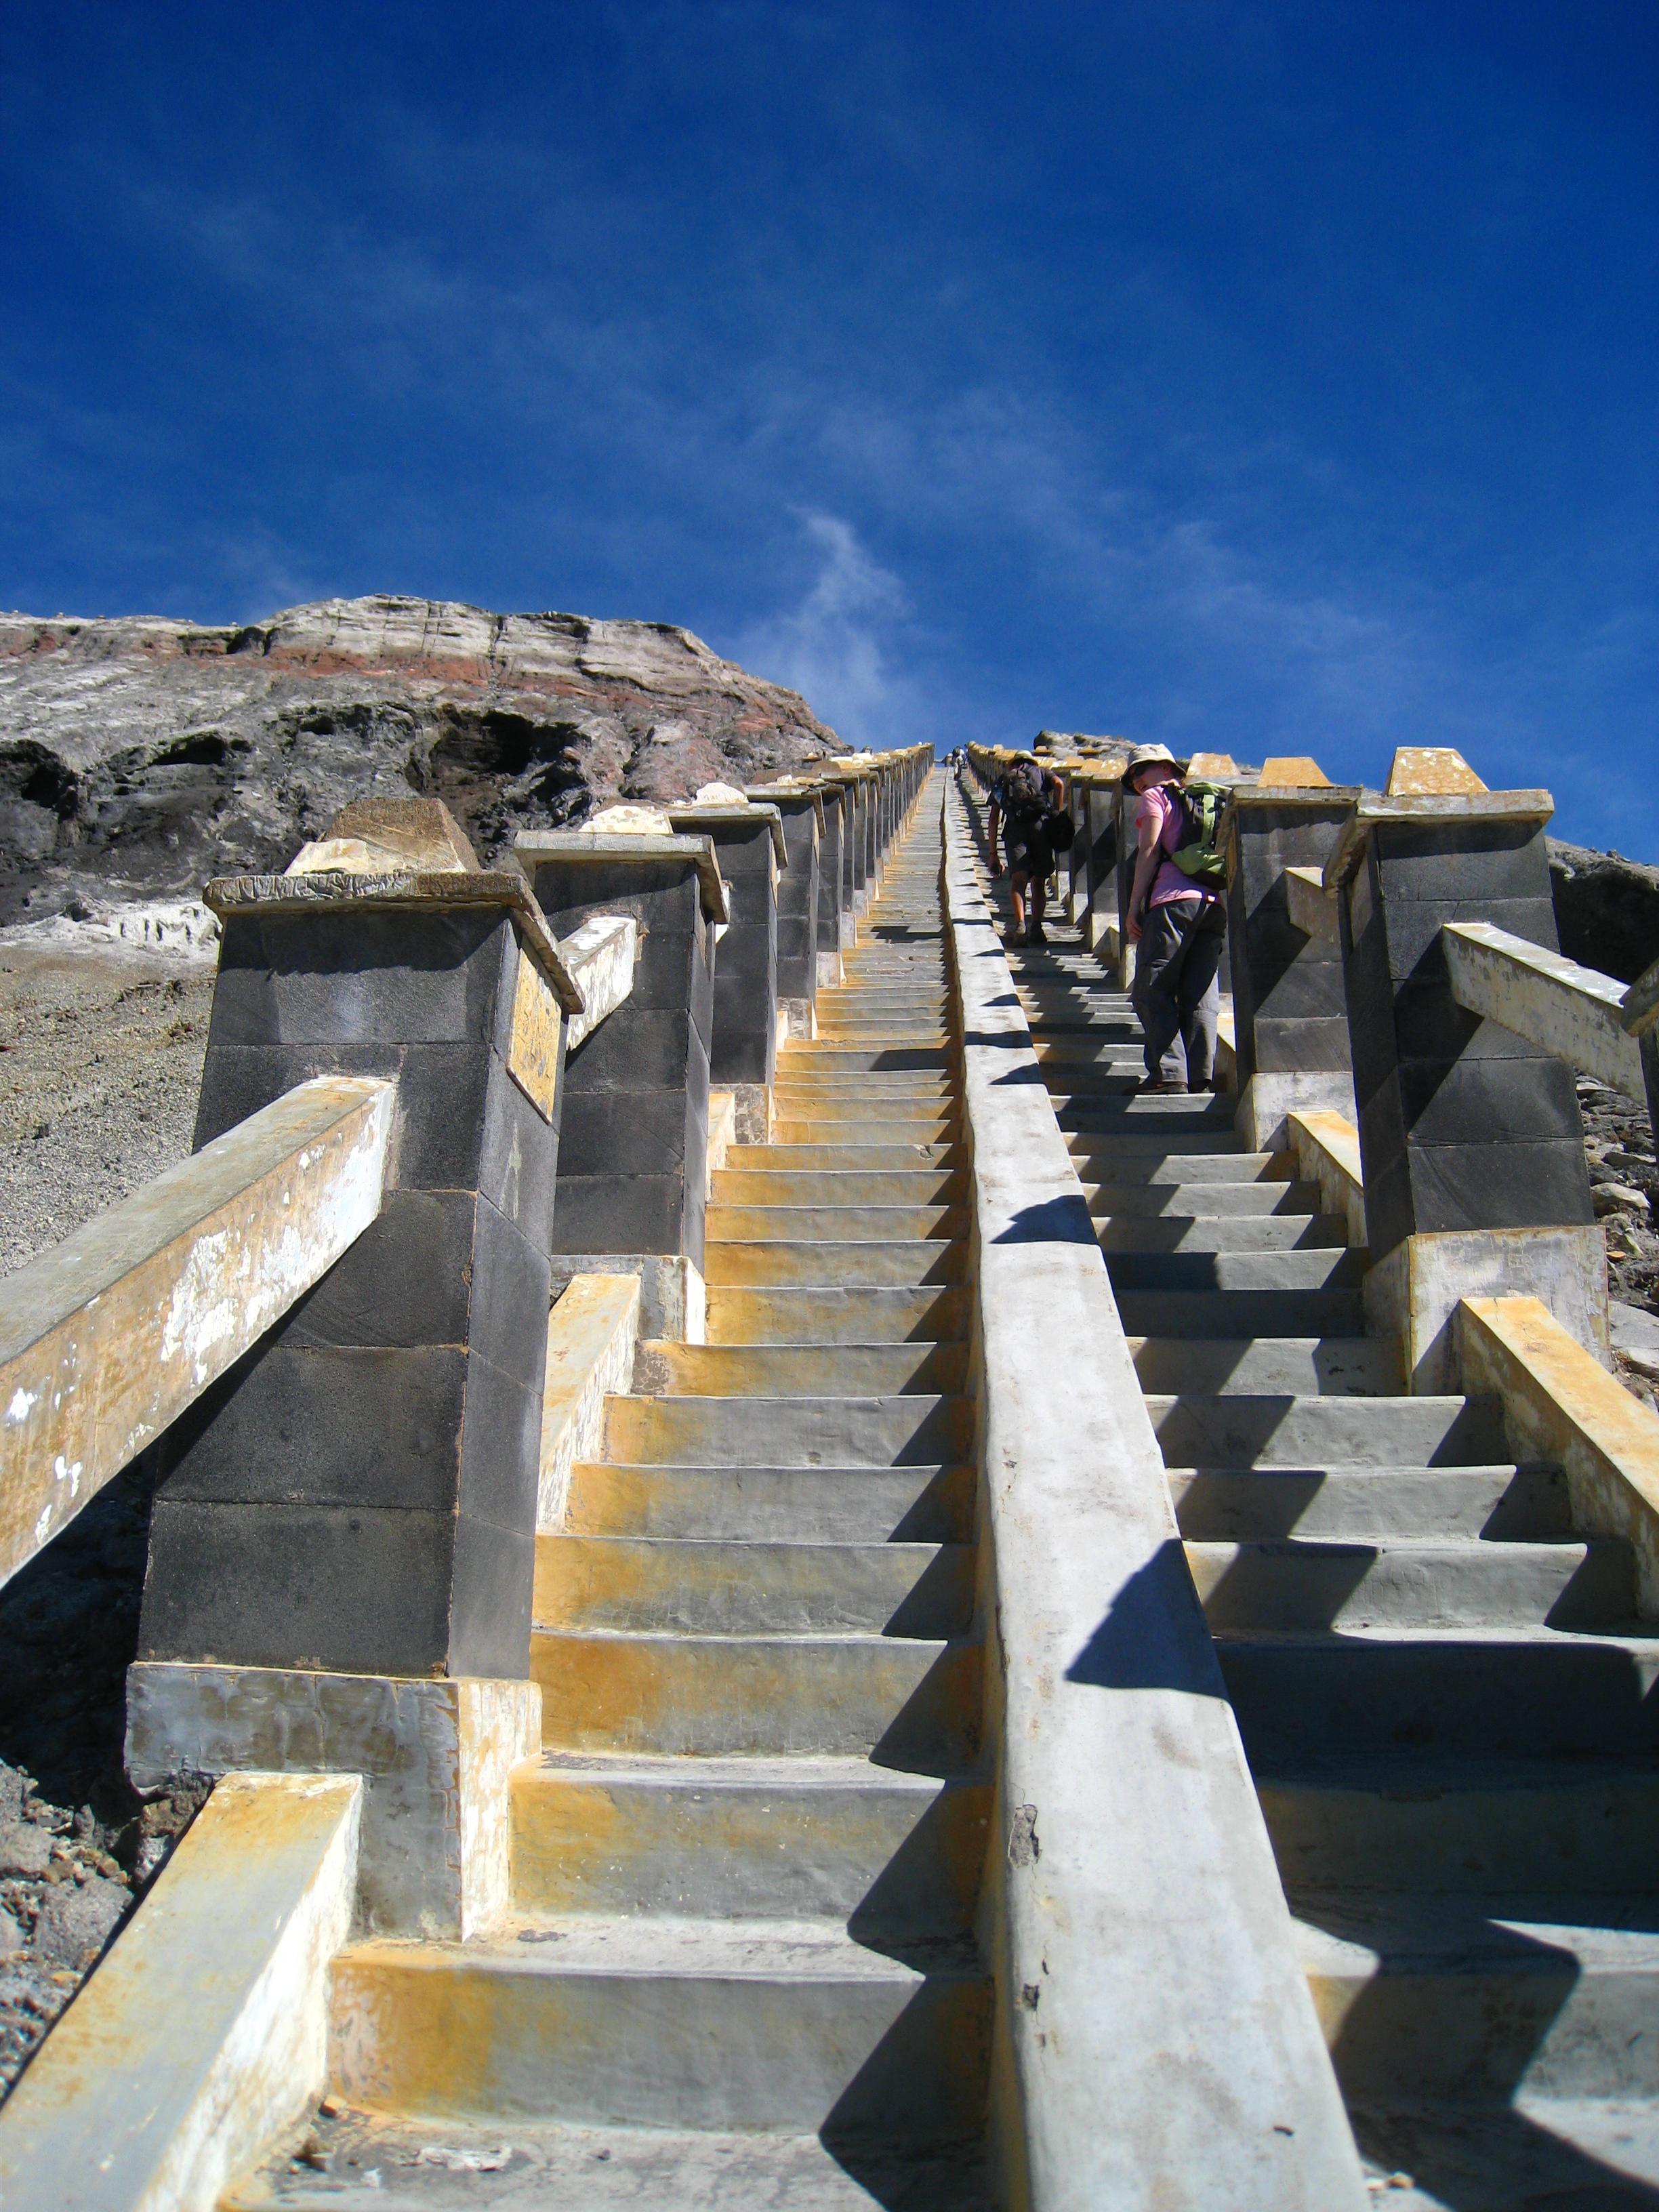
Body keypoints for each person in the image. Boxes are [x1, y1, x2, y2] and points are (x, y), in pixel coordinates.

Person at [1123, 743, 1227, 1094]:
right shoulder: (1207, 803)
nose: (1136, 780)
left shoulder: (1157, 796)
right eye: (1132, 777)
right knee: (1200, 994)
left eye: (1141, 770)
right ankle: (1200, 1076)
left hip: (1172, 904)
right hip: (1213, 908)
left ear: (1167, 769)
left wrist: (1134, 905)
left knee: (1151, 988)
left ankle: (1168, 1074)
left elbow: (1149, 849)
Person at [988, 755, 1066, 945]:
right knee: (1038, 883)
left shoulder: (1004, 779)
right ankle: (1037, 927)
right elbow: (1059, 784)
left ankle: (1020, 926)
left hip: (1015, 830)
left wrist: (993, 854)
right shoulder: (1042, 772)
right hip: (1041, 827)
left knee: (1018, 881)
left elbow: (993, 819)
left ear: (1012, 764)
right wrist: (1056, 814)